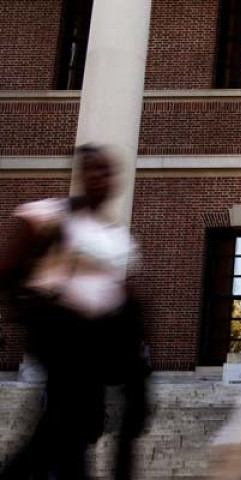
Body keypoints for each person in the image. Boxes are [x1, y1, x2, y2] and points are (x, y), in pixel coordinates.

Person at [0, 145, 146, 480]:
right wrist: (27, 314)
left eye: (107, 171)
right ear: (80, 175)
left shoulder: (114, 236)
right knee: (66, 421)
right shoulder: (51, 216)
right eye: (93, 169)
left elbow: (118, 289)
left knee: (76, 423)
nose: (100, 177)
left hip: (97, 341)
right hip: (61, 334)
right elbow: (8, 270)